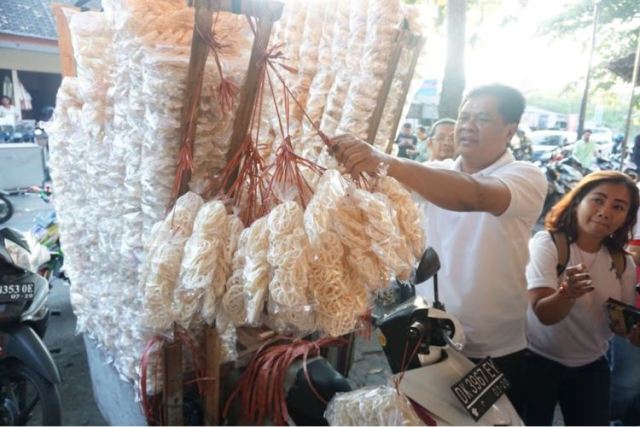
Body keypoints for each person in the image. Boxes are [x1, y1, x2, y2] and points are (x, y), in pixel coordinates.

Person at [332, 83, 547, 416]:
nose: (467, 125)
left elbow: (474, 195)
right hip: (426, 332)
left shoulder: (524, 176)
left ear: (510, 130)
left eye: (482, 118)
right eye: (464, 116)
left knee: (487, 421)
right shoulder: (437, 172)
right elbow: (381, 206)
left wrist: (386, 161)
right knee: (426, 418)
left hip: (489, 346)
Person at [524, 171, 640, 426]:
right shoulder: (547, 243)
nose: (605, 211)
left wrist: (633, 332)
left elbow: (619, 323)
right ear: (578, 201)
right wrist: (567, 293)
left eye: (618, 207)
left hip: (591, 366)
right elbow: (544, 314)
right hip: (536, 362)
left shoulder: (623, 263)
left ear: (626, 219)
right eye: (598, 200)